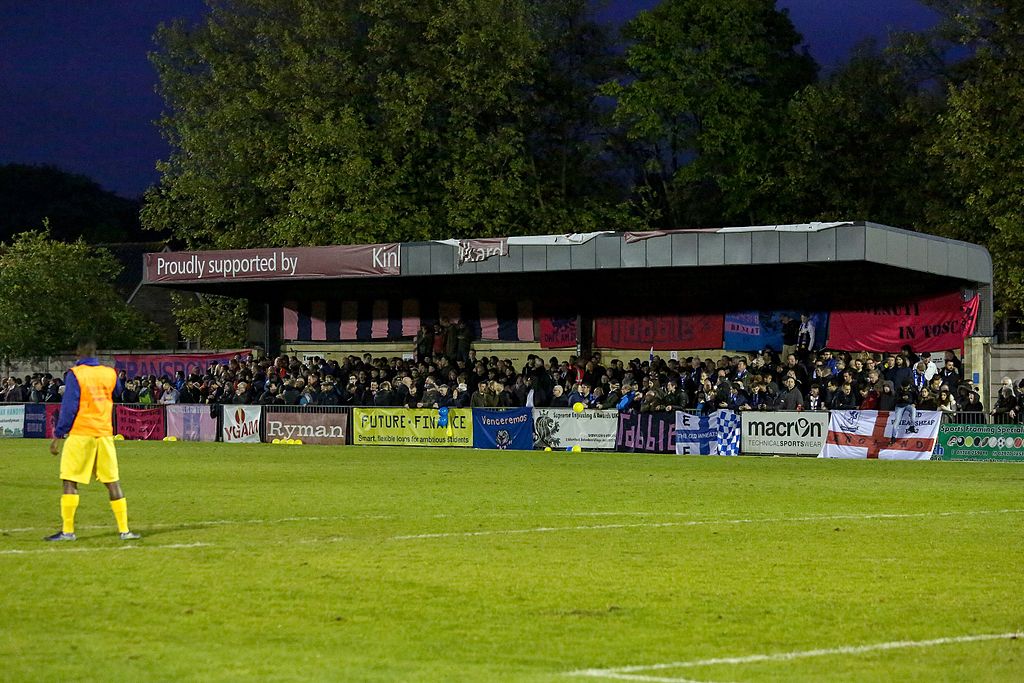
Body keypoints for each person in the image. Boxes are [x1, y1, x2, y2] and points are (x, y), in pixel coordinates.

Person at [45, 339, 140, 542]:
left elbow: (69, 407)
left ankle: (68, 531)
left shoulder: (76, 374)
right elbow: (117, 392)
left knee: (70, 481)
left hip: (81, 433)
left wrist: (58, 435)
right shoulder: (109, 373)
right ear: (96, 354)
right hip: (104, 434)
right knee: (112, 481)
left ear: (78, 354)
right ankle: (125, 531)